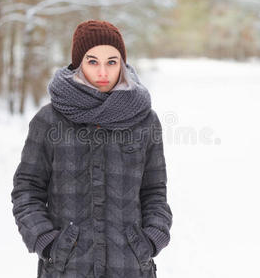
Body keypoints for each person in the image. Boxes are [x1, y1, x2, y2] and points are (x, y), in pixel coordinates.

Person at [11, 20, 173, 278]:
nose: (103, 72)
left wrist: (151, 239)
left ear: (122, 63)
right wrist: (48, 242)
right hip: (66, 268)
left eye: (111, 61)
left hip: (130, 267)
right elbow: (27, 190)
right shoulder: (49, 120)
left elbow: (154, 191)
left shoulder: (145, 120)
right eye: (92, 61)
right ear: (78, 64)